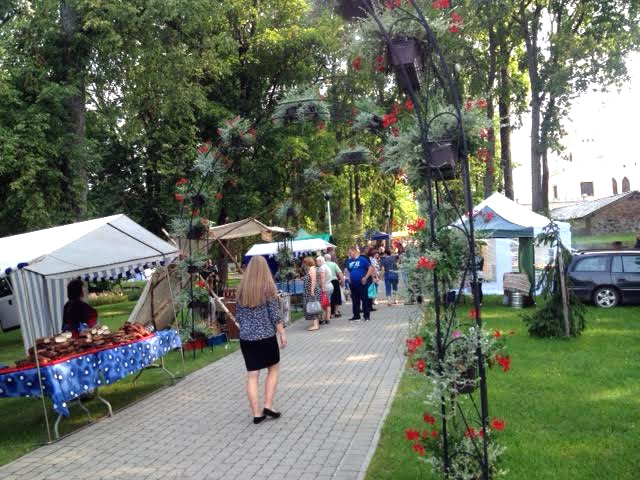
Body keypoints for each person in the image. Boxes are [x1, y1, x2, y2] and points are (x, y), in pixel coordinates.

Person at [236, 256, 287, 424]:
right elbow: (275, 315)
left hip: (247, 339)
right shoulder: (268, 289)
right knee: (273, 369)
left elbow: (239, 317)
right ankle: (268, 405)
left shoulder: (241, 290)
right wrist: (282, 334)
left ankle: (257, 413)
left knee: (252, 375)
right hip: (266, 337)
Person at [346, 246, 375, 321]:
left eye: (350, 252)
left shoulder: (362, 259)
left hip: (362, 283)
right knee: (355, 300)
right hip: (353, 284)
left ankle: (366, 316)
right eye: (348, 253)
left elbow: (370, 268)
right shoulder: (349, 261)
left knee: (364, 299)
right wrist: (349, 279)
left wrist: (365, 277)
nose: (349, 254)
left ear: (354, 252)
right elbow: (348, 271)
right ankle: (356, 315)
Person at [302, 256, 322, 331]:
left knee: (313, 307)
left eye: (304, 262)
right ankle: (315, 323)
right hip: (310, 291)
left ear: (307, 262)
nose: (304, 264)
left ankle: (316, 325)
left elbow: (313, 280)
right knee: (312, 306)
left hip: (312, 291)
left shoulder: (312, 269)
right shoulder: (312, 269)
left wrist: (312, 291)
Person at [324, 253, 344, 317]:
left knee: (328, 297)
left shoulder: (323, 265)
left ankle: (329, 313)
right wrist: (342, 281)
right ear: (330, 259)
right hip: (335, 281)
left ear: (324, 259)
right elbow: (340, 273)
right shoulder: (334, 264)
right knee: (337, 296)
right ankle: (336, 312)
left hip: (326, 282)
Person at [316, 255, 333, 325]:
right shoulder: (326, 266)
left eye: (317, 261)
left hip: (325, 287)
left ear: (320, 261)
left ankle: (322, 319)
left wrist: (322, 287)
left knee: (322, 303)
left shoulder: (322, 268)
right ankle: (328, 318)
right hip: (329, 285)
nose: (316, 263)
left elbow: (322, 278)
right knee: (327, 303)